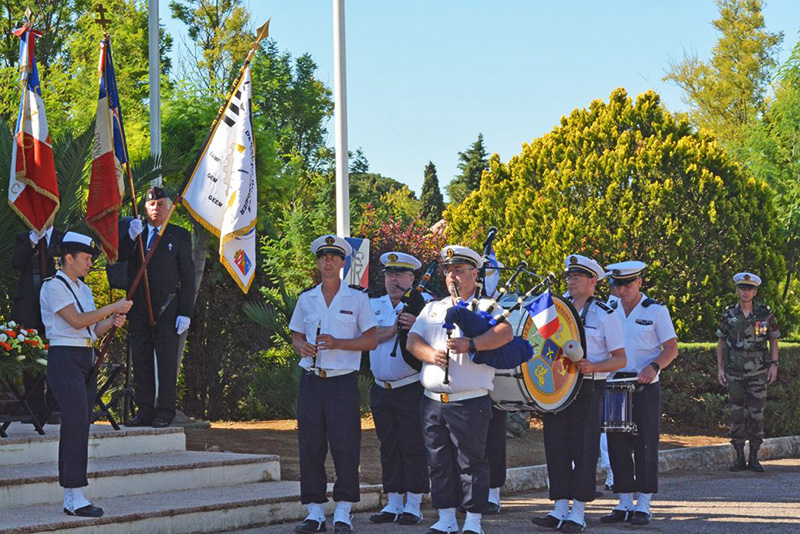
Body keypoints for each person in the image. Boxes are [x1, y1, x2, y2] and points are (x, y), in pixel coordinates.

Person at [407, 245, 514, 534]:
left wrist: (472, 344)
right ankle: (446, 518)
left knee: (471, 463)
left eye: (459, 270)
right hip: (433, 400)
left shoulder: (486, 307)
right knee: (438, 461)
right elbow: (412, 340)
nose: (452, 275)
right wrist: (430, 354)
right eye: (448, 270)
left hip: (469, 401)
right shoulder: (432, 308)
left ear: (474, 274)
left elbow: (506, 333)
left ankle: (474, 520)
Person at [289, 235, 378, 534]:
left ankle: (343, 509)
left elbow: (371, 339)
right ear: (318, 263)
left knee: (345, 447)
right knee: (310, 446)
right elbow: (296, 335)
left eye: (334, 257)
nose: (328, 262)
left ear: (342, 263)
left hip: (342, 383)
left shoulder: (357, 298)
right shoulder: (306, 298)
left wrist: (340, 343)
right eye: (323, 257)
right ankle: (314, 512)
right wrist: (301, 346)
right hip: (312, 381)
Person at [39, 232, 132, 517]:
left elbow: (91, 329)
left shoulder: (84, 289)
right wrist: (111, 308)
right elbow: (76, 321)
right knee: (76, 422)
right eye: (87, 258)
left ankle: (74, 493)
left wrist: (111, 322)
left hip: (85, 357)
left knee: (82, 422)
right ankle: (73, 495)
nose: (91, 263)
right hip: (64, 358)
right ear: (69, 258)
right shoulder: (52, 286)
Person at [531, 254, 625, 533]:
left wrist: (594, 365)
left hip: (588, 386)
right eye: (569, 277)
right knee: (556, 445)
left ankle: (579, 511)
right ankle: (559, 507)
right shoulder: (557, 309)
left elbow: (620, 359)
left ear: (592, 281)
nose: (570, 281)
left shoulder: (605, 314)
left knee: (584, 449)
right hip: (558, 387)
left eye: (576, 277)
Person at [600, 261, 678, 526]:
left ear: (639, 283)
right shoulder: (607, 309)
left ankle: (643, 504)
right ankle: (623, 502)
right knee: (617, 445)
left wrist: (654, 366)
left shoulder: (655, 310)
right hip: (614, 383)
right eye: (616, 285)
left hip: (644, 383)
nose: (621, 290)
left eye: (627, 284)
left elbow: (671, 348)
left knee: (645, 443)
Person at [121, 187, 195, 428]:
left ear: (169, 207)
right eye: (152, 205)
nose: (156, 208)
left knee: (165, 362)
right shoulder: (136, 232)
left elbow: (188, 277)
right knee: (141, 361)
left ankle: (165, 411)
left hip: (167, 309)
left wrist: (185, 311)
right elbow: (118, 258)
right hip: (139, 307)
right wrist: (130, 239)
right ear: (145, 208)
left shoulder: (178, 235)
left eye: (161, 204)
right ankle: (144, 410)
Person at [367, 252, 430, 526]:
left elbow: (438, 338)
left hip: (410, 387)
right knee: (388, 446)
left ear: (411, 279)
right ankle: (393, 502)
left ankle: (414, 504)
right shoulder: (372, 304)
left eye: (399, 275)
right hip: (381, 388)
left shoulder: (426, 306)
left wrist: (417, 325)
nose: (393, 280)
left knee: (413, 445)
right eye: (389, 274)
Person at [716, 272, 779, 473]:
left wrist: (774, 364)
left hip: (758, 369)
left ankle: (754, 457)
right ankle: (738, 457)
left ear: (755, 291)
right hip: (734, 369)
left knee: (756, 413)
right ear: (737, 290)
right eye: (742, 288)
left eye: (749, 289)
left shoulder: (764, 313)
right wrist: (720, 368)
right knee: (736, 412)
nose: (746, 292)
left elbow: (773, 339)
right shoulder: (729, 314)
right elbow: (721, 341)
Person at [11, 226, 64, 424]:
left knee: (56, 355)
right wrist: (33, 240)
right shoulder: (23, 237)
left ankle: (54, 406)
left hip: (57, 307)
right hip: (29, 308)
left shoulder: (62, 237)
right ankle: (34, 408)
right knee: (32, 357)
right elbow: (16, 263)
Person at [598, 277, 623, 492]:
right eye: (617, 285)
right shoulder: (603, 310)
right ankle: (611, 471)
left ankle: (613, 472)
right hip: (601, 375)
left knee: (612, 428)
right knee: (604, 429)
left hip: (619, 376)